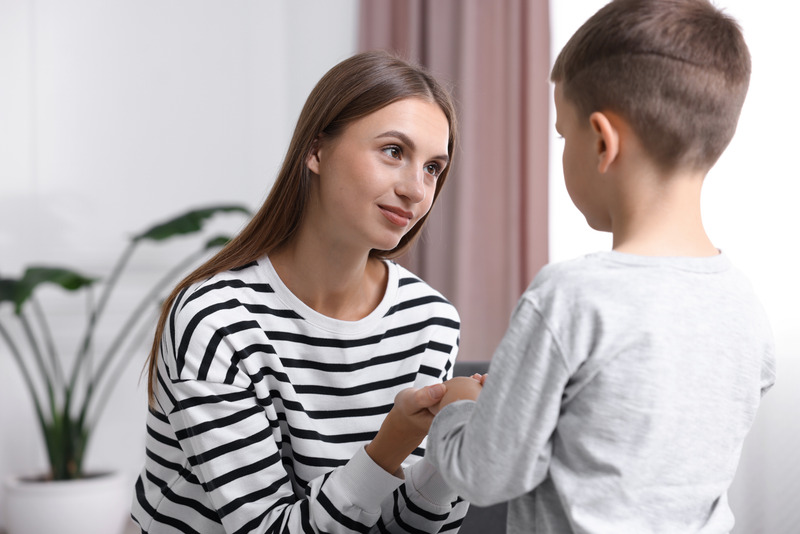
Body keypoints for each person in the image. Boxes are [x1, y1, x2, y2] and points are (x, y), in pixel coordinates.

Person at [423, 1, 776, 532]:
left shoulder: (571, 296)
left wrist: (460, 406)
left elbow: (486, 474)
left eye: (563, 135)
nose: (561, 150)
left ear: (603, 142)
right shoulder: (745, 307)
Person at [131, 50, 469, 533]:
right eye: (394, 151)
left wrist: (452, 455)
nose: (417, 190)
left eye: (433, 168)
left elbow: (406, 525)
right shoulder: (217, 322)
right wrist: (391, 444)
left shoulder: (430, 321)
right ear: (315, 150)